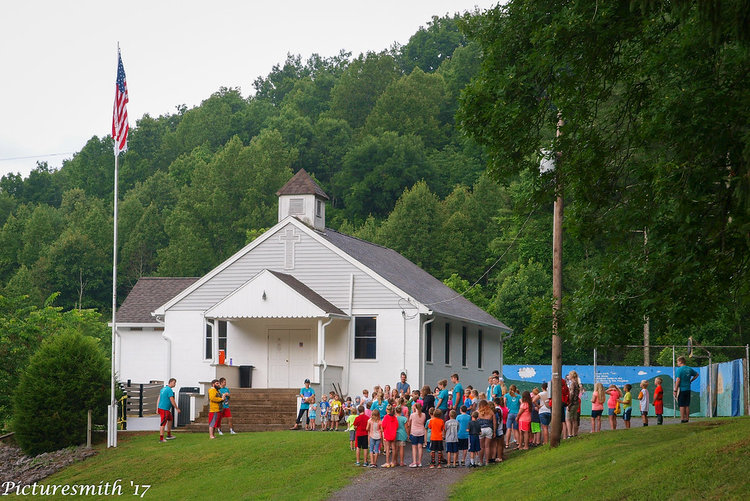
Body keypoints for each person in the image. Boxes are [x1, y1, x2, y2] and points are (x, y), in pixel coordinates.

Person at [674, 356, 699, 423]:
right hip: (688, 388)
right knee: (687, 404)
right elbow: (697, 374)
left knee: (681, 404)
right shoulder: (689, 369)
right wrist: (691, 380)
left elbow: (678, 379)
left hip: (682, 389)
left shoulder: (679, 369)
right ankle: (687, 418)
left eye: (678, 362)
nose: (677, 363)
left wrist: (675, 389)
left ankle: (682, 418)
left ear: (680, 361)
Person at [157, 378, 179, 443]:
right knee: (163, 423)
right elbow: (172, 400)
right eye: (174, 383)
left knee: (170, 419)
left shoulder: (163, 389)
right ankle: (161, 439)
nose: (175, 384)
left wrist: (157, 408)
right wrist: (177, 408)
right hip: (164, 409)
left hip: (163, 408)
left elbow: (159, 398)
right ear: (171, 382)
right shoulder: (169, 390)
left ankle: (169, 435)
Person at [406, 402, 426, 467]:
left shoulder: (412, 415)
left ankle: (414, 462)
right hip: (421, 431)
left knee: (414, 447)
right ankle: (419, 462)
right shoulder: (423, 415)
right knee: (420, 447)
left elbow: (409, 424)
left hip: (414, 432)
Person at [566, 371, 581, 437]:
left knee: (568, 419)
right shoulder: (577, 383)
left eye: (569, 375)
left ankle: (570, 434)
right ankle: (575, 433)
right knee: (575, 419)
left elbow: (571, 394)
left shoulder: (572, 383)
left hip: (572, 403)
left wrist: (569, 404)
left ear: (571, 376)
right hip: (576, 403)